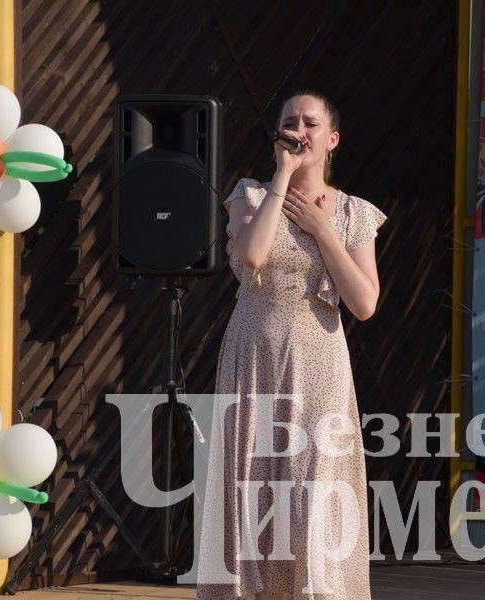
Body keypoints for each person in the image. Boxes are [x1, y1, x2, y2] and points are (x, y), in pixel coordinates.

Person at [196, 90, 387, 600]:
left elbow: (365, 303)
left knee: (311, 496)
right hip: (254, 355)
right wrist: (281, 177)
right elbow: (252, 257)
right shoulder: (250, 195)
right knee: (253, 493)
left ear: (331, 139)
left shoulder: (353, 212)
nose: (299, 128)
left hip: (319, 361)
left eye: (310, 121)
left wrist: (324, 230)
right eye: (289, 120)